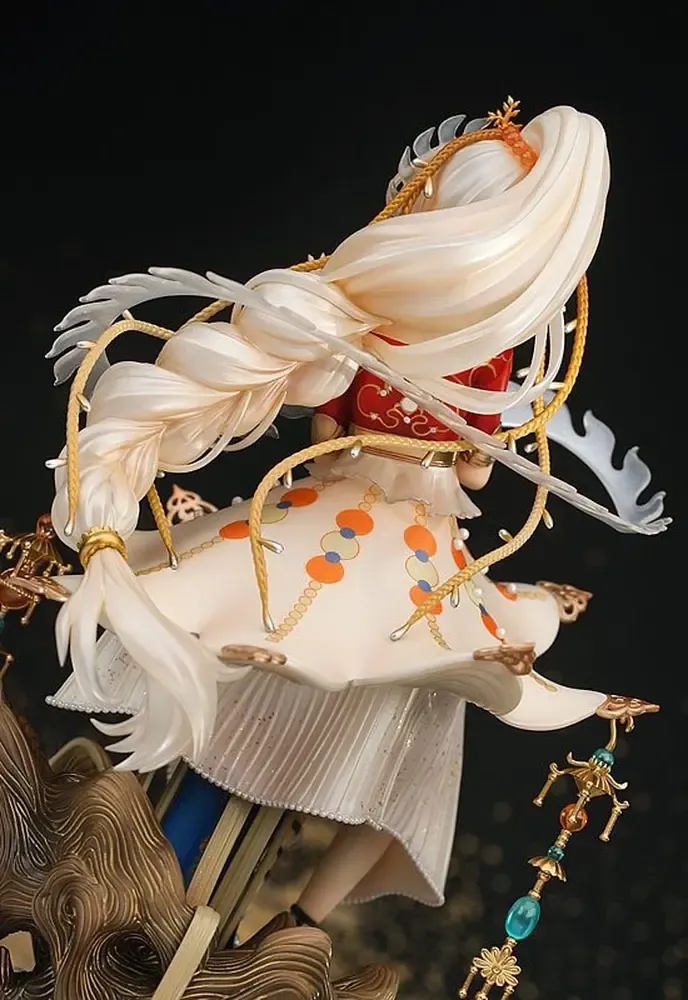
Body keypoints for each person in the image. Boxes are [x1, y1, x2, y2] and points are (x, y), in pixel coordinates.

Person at [44, 100, 668, 922]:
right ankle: (293, 914)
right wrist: (463, 452)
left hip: (335, 511)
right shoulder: (478, 352)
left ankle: (242, 896)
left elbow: (329, 431)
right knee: (370, 716)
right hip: (404, 540)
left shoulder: (382, 328)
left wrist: (363, 441)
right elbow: (475, 473)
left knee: (257, 668)